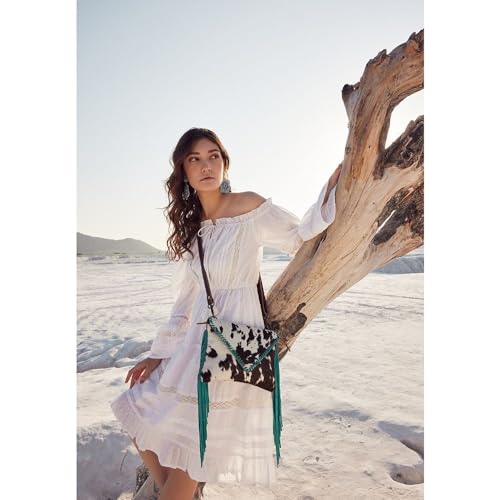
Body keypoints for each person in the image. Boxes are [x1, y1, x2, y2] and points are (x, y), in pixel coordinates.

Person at [110, 127, 341, 499]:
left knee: (192, 449)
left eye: (213, 156)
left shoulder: (249, 207)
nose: (206, 166)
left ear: (224, 163)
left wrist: (332, 189)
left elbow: (299, 235)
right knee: (135, 408)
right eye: (195, 159)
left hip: (234, 343)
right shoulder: (193, 229)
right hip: (196, 343)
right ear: (184, 172)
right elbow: (186, 300)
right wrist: (157, 354)